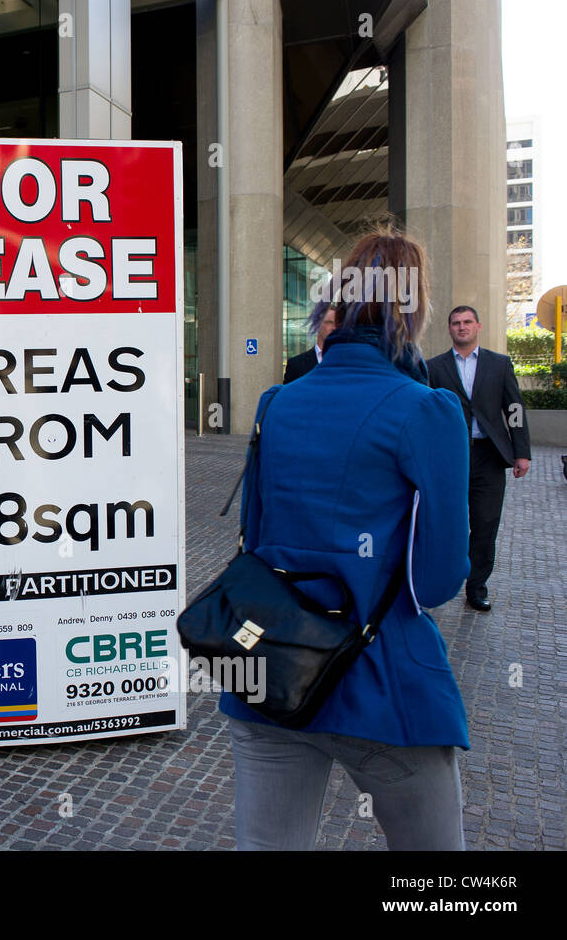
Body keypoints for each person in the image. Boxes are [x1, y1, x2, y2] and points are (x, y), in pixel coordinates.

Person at [225, 226, 471, 850]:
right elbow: (439, 580)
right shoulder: (428, 410)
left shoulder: (276, 403)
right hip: (384, 684)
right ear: (410, 310)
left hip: (274, 673)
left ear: (336, 302)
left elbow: (255, 539)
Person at [425, 307, 532, 612]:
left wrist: (521, 452)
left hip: (489, 455)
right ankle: (441, 582)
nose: (462, 327)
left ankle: (476, 587)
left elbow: (514, 408)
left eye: (467, 322)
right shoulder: (434, 368)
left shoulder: (499, 364)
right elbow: (426, 413)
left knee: (485, 523)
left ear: (478, 326)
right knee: (448, 522)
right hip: (450, 457)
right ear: (450, 329)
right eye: (456, 323)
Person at [282, 306, 338, 382]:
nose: (334, 327)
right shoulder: (296, 365)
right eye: (329, 322)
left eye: (337, 324)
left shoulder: (348, 363)